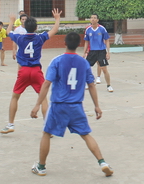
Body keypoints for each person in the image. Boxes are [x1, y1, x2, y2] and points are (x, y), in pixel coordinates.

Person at [30, 32, 113, 177]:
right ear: (79, 45)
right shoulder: (84, 63)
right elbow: (92, 85)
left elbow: (46, 84)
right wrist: (97, 106)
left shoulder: (57, 61)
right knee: (86, 135)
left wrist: (37, 104)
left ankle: (41, 167)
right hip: (76, 106)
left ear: (65, 43)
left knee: (46, 133)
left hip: (58, 105)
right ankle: (102, 162)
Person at [0, 8, 61, 134]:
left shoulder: (20, 38)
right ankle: (48, 127)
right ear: (36, 27)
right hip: (36, 71)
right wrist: (57, 19)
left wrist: (11, 21)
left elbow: (7, 32)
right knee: (43, 98)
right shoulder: (40, 38)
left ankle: (10, 124)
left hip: (23, 71)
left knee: (15, 97)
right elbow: (54, 30)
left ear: (24, 26)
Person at [83, 14, 113, 92]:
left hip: (101, 51)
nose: (93, 19)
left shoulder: (102, 29)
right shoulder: (88, 30)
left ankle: (109, 85)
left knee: (104, 69)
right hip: (92, 51)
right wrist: (84, 52)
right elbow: (86, 42)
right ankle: (88, 82)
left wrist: (108, 52)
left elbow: (107, 40)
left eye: (95, 18)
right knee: (86, 67)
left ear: (97, 20)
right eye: (91, 18)